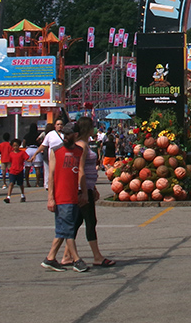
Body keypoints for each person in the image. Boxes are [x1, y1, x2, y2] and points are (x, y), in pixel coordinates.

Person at [62, 117, 115, 268]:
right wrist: (84, 192)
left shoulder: (84, 144)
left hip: (88, 187)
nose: (95, 129)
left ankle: (66, 255)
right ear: (88, 129)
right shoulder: (82, 146)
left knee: (77, 222)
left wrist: (93, 188)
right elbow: (80, 169)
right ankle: (97, 256)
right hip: (82, 190)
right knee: (90, 221)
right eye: (93, 126)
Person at [41, 122, 89, 273]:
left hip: (73, 194)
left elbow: (80, 172)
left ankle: (50, 258)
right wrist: (50, 197)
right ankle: (76, 259)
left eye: (68, 134)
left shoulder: (79, 151)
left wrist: (84, 192)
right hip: (61, 195)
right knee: (68, 228)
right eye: (63, 134)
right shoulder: (56, 151)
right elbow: (51, 175)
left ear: (75, 135)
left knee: (63, 228)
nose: (65, 137)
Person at [30, 119, 65, 189]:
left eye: (61, 124)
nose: (59, 126)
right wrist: (35, 154)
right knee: (49, 171)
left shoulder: (65, 134)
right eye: (58, 124)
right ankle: (48, 185)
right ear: (55, 125)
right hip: (52, 156)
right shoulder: (50, 134)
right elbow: (43, 145)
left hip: (63, 156)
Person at [4, 139, 28, 203]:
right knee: (11, 183)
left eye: (17, 146)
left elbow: (27, 158)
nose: (15, 147)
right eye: (14, 146)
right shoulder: (11, 154)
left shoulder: (22, 153)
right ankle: (8, 197)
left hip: (20, 170)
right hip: (12, 171)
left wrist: (31, 159)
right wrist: (9, 169)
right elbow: (9, 162)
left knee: (20, 184)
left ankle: (22, 195)